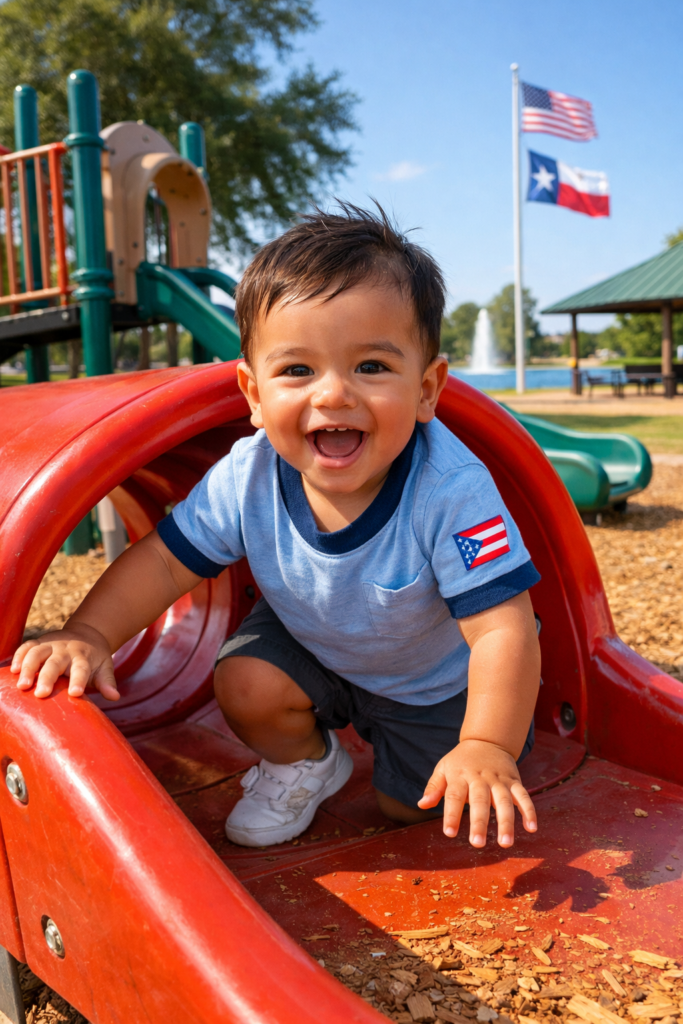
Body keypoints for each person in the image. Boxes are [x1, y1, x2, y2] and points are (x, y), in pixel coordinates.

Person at [11, 203, 541, 851]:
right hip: (314, 645)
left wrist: (486, 744)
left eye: (371, 367)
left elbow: (503, 629)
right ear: (254, 395)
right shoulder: (249, 474)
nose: (333, 394)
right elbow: (166, 562)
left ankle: (469, 745)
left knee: (413, 811)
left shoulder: (449, 491)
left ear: (427, 389)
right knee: (245, 681)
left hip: (432, 684)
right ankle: (305, 763)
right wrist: (90, 633)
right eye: (297, 370)